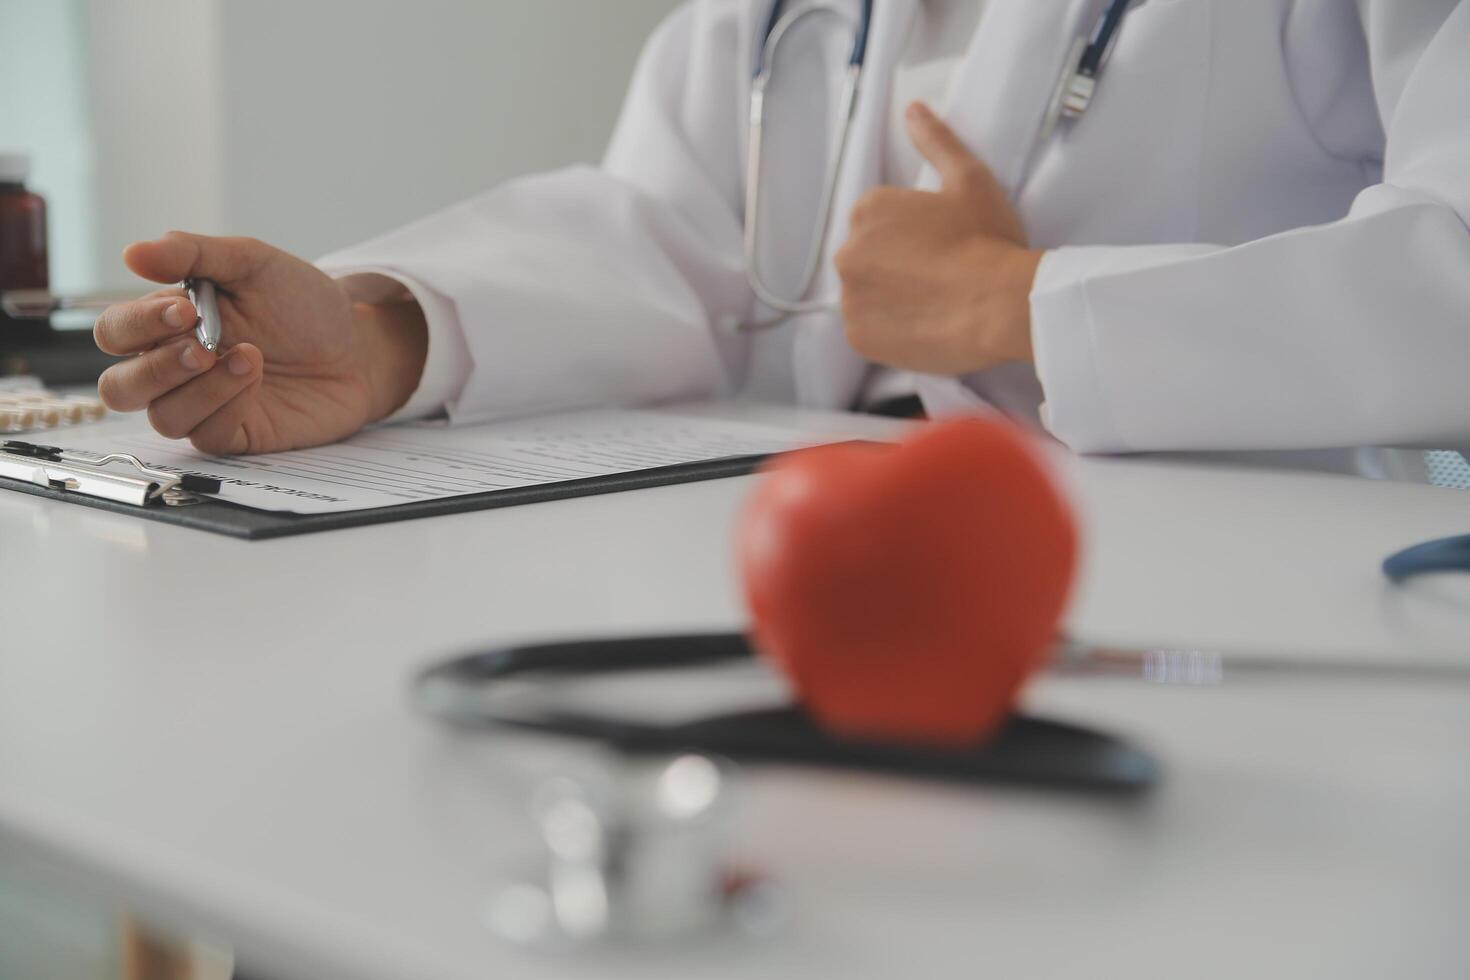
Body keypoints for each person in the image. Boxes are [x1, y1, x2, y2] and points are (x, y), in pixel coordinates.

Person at [92, 0, 1470, 480]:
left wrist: (1029, 306)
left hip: (1231, 611)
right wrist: (385, 333)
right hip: (828, 569)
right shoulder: (764, 16)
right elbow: (664, 242)